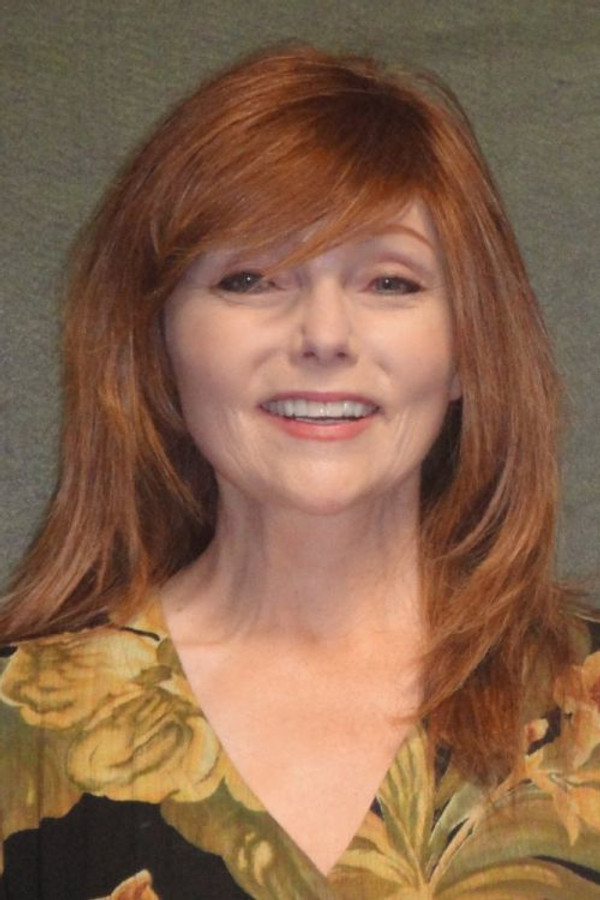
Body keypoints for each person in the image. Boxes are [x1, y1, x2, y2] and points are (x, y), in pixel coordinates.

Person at [0, 43, 598, 900]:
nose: (324, 334)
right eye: (251, 278)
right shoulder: (17, 734)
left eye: (389, 283)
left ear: (470, 349)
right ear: (157, 343)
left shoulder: (587, 713)